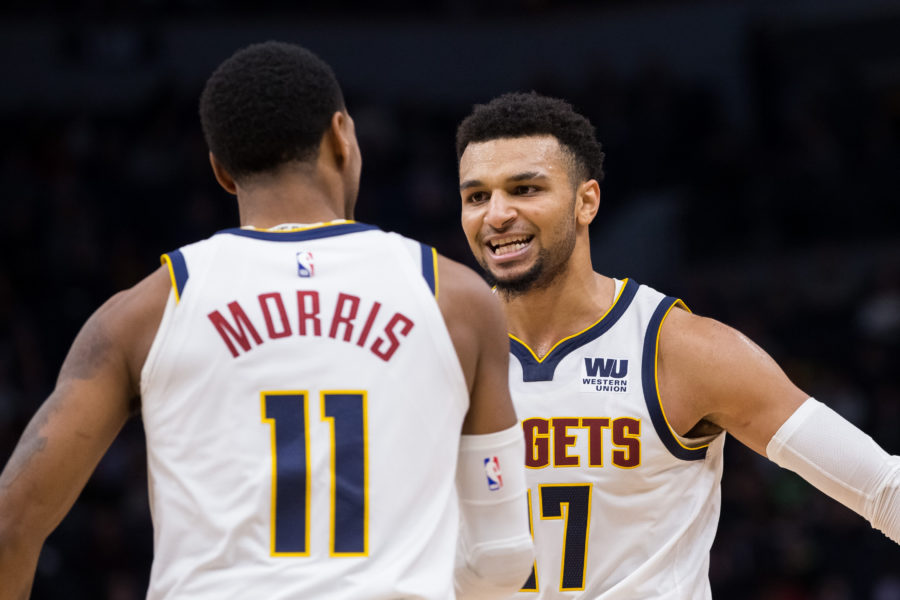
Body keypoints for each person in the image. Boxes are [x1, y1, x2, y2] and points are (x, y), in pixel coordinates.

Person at [0, 42, 535, 600]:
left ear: (221, 171)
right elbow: (501, 557)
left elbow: (11, 525)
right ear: (341, 135)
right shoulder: (456, 299)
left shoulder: (141, 314)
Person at [454, 91, 900, 599]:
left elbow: (884, 489)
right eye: (476, 196)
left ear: (586, 201)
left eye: (524, 188)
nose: (496, 214)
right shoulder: (436, 354)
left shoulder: (682, 349)